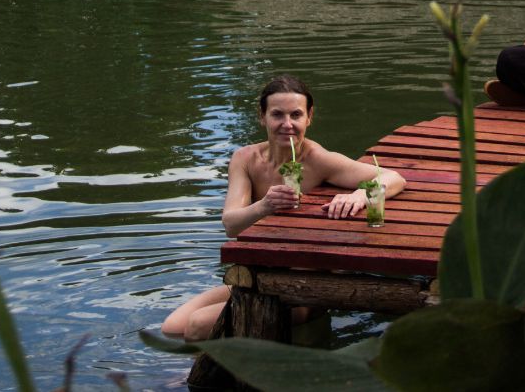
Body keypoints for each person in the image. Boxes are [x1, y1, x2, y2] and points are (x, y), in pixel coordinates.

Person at [161, 75, 405, 341]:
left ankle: (185, 380)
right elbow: (231, 225)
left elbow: (393, 177)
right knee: (172, 328)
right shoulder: (245, 159)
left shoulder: (317, 159)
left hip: (304, 290)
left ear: (309, 117)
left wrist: (360, 195)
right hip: (260, 278)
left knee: (197, 325)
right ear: (262, 117)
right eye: (277, 114)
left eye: (296, 115)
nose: (287, 124)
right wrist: (264, 205)